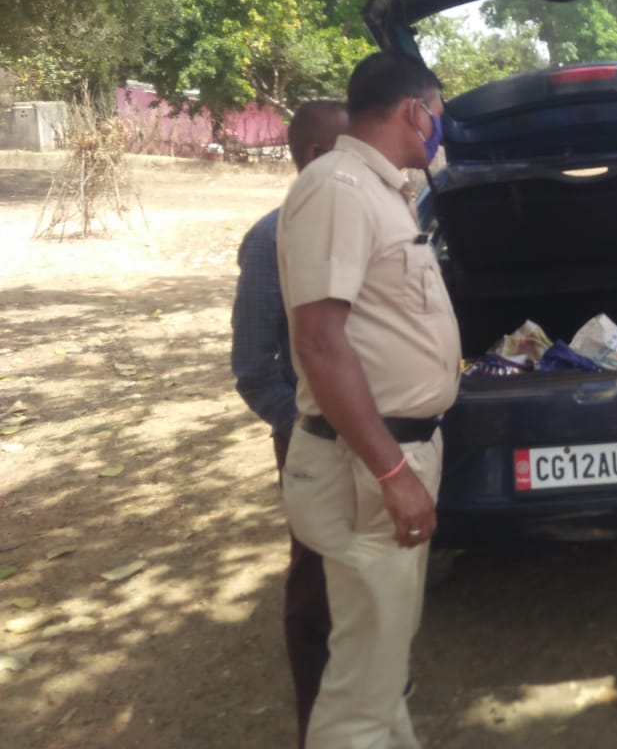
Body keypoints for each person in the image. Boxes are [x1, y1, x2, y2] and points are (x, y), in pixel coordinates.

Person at [277, 51, 458, 749]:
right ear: (415, 110)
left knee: (382, 665)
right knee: (360, 691)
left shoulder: (383, 191)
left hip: (390, 454)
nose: (438, 129)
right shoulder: (339, 189)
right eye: (437, 115)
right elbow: (320, 345)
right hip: (368, 466)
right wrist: (392, 472)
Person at [230, 98, 349, 747]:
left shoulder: (366, 225)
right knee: (316, 580)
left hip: (377, 437)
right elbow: (254, 368)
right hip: (314, 443)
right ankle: (317, 722)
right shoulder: (270, 240)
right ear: (312, 158)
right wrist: (307, 428)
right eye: (346, 150)